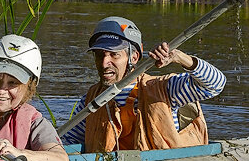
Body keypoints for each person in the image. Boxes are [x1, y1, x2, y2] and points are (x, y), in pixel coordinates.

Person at [62, 16, 226, 152]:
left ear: (133, 58)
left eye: (114, 55)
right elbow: (68, 142)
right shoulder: (90, 101)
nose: (105, 63)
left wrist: (179, 57)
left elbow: (215, 85)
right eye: (99, 55)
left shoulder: (166, 90)